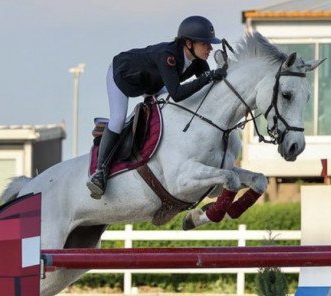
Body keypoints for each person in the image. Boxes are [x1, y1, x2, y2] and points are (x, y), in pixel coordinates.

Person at [87, 15, 227, 199]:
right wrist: (208, 77)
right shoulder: (168, 56)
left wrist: (223, 73)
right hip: (122, 76)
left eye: (210, 44)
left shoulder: (198, 61)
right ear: (188, 43)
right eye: (205, 44)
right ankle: (100, 171)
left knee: (169, 109)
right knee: (119, 118)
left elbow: (209, 86)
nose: (210, 48)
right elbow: (177, 94)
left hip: (151, 83)